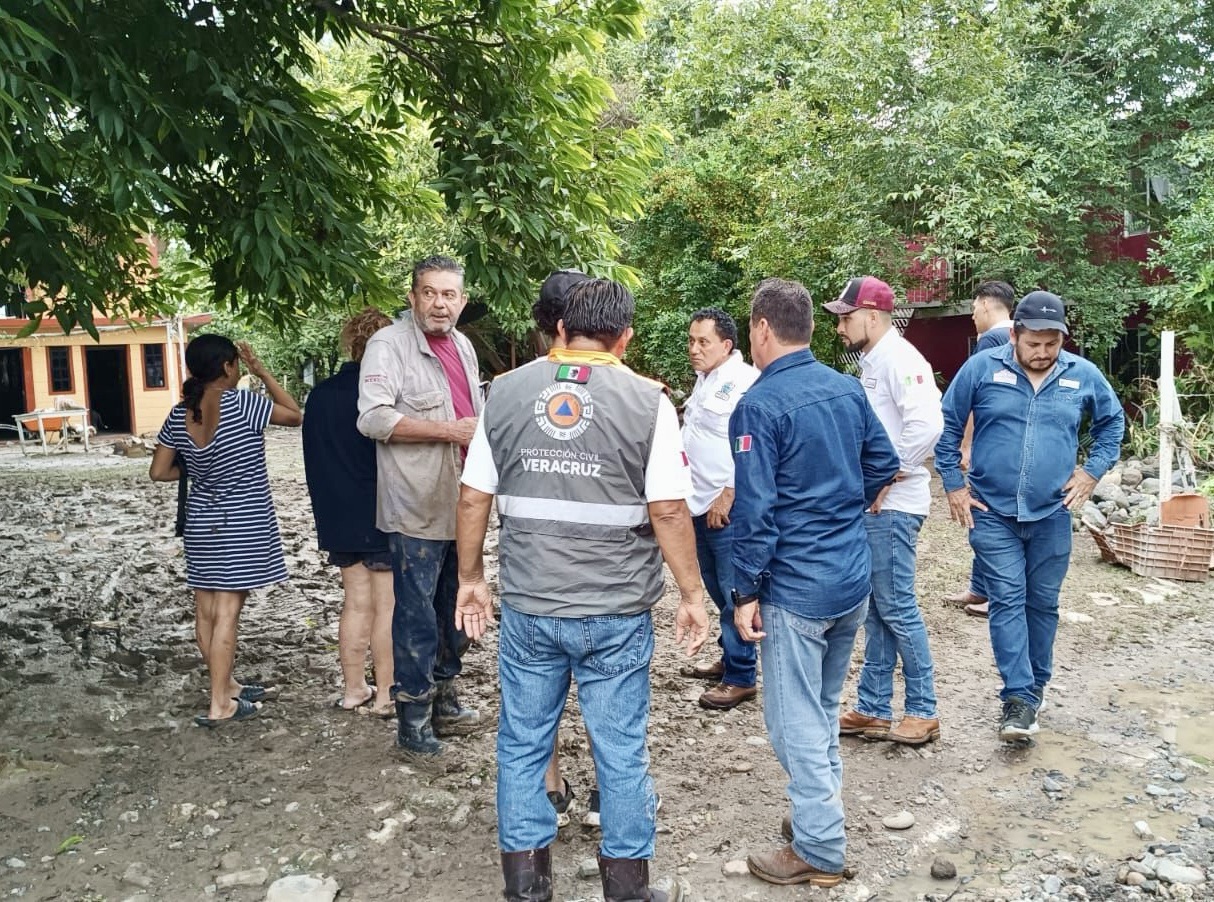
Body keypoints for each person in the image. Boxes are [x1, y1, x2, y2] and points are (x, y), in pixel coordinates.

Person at [454, 278, 709, 902]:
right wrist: (692, 595)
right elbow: (668, 510)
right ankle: (627, 887)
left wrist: (471, 579)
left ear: (561, 330)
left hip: (529, 606)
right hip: (615, 610)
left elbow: (472, 496)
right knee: (620, 749)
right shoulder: (649, 402)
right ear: (625, 338)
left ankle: (526, 886)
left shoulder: (504, 393)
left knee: (522, 743)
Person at [730, 278, 900, 887]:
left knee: (792, 720)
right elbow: (884, 462)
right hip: (849, 575)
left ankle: (821, 847)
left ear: (761, 328)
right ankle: (815, 816)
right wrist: (840, 508)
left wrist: (744, 592)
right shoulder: (846, 388)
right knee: (821, 706)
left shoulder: (758, 406)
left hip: (797, 587)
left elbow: (754, 513)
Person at [935, 291, 1124, 742]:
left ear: (1062, 339)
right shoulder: (982, 369)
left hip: (1052, 513)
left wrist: (1091, 472)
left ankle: (1035, 687)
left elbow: (1112, 423)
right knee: (1006, 598)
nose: (1042, 352)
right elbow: (947, 424)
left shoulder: (1082, 374)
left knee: (1042, 603)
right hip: (991, 511)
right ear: (1015, 335)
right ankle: (1017, 697)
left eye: (1051, 344)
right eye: (1033, 343)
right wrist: (954, 485)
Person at [356, 255, 484, 759]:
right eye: (429, 293)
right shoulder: (388, 345)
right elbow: (373, 418)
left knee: (457, 605)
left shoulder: (464, 346)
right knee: (416, 615)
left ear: (462, 301)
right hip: (415, 504)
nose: (439, 303)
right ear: (412, 297)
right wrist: (448, 431)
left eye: (449, 294)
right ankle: (412, 716)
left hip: (464, 502)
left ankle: (445, 697)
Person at [149, 335, 302, 727]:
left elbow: (159, 471)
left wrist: (199, 472)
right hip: (243, 523)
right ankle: (220, 704)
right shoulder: (244, 404)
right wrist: (263, 372)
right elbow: (294, 414)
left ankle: (226, 685)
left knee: (206, 611)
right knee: (228, 614)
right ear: (228, 366)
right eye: (237, 364)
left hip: (201, 522)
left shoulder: (180, 413)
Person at [826, 277, 944, 745]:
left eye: (846, 317)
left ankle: (923, 709)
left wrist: (887, 474)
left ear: (872, 316)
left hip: (894, 507)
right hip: (881, 505)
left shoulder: (901, 359)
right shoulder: (876, 360)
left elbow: (928, 425)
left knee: (896, 606)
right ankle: (873, 708)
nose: (840, 327)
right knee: (878, 609)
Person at [303, 307, 396, 716]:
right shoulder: (383, 395)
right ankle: (386, 692)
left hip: (336, 512)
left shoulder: (320, 395)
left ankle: (354, 688)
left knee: (356, 602)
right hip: (381, 511)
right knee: (387, 605)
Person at [679, 307, 760, 709]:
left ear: (726, 345)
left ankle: (741, 675)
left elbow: (753, 444)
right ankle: (730, 656)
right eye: (691, 341)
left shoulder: (744, 381)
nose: (694, 349)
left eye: (703, 342)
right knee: (714, 586)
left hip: (726, 505)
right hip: (697, 501)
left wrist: (729, 491)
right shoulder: (705, 380)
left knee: (733, 591)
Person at [944, 280, 1017, 619]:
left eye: (974, 308)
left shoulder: (991, 339)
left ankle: (994, 594)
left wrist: (966, 444)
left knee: (987, 516)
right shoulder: (1018, 336)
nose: (973, 315)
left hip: (990, 445)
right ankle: (979, 587)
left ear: (987, 304)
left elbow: (976, 398)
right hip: (1009, 444)